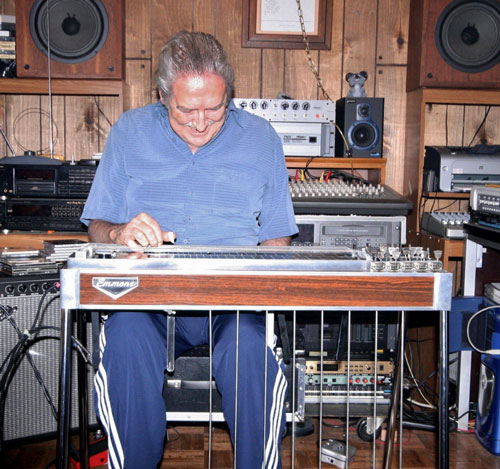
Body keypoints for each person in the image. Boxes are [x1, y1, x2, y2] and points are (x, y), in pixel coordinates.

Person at [81, 31, 298, 469]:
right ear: (163, 96)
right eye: (186, 110)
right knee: (122, 340)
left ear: (229, 95)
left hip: (231, 300)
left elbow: (278, 233)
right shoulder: (129, 132)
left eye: (214, 110)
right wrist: (121, 232)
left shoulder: (261, 139)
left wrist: (262, 282)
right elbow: (96, 227)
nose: (200, 123)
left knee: (252, 353)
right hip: (149, 298)